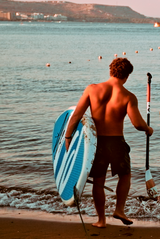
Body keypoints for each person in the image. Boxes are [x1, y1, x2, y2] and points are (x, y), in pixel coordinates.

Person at [64, 58, 153, 228]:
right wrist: (148, 129)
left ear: (110, 71)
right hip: (116, 142)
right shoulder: (128, 96)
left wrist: (68, 137)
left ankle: (101, 220)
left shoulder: (92, 89)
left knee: (99, 181)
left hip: (97, 142)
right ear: (127, 76)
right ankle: (119, 209)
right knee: (125, 175)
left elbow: (76, 116)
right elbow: (137, 123)